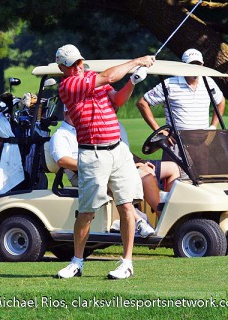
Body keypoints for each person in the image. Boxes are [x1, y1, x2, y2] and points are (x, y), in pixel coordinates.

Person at [54, 44, 155, 279]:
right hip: (92, 154)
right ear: (62, 67)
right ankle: (77, 261)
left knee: (127, 206)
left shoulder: (92, 78)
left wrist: (132, 82)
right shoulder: (68, 86)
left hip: (118, 151)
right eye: (72, 65)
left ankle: (127, 263)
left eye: (80, 62)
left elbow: (117, 100)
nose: (78, 67)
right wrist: (136, 61)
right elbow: (108, 76)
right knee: (87, 212)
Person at [50, 109, 156, 236]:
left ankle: (140, 219)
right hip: (81, 174)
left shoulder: (86, 131)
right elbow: (62, 160)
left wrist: (136, 163)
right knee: (121, 183)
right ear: (66, 113)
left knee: (142, 175)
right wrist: (90, 165)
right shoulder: (61, 135)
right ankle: (139, 221)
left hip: (102, 169)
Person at [136, 48, 226, 162]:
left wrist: (213, 127)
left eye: (198, 64)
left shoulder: (209, 82)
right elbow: (142, 103)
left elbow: (221, 101)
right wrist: (159, 130)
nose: (195, 68)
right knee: (174, 178)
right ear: (183, 65)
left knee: (201, 178)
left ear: (202, 65)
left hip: (202, 143)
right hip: (175, 142)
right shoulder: (169, 84)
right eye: (191, 64)